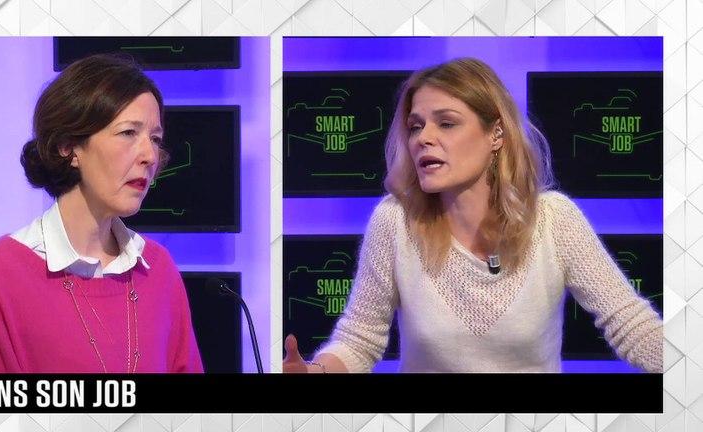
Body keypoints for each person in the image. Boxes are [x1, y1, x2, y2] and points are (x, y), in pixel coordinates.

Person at [283, 58, 663, 374]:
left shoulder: (553, 220)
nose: (423, 138)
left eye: (446, 123)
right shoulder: (394, 221)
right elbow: (359, 339)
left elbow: (633, 325)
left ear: (495, 134)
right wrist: (318, 372)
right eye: (415, 126)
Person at [0, 54, 203, 373]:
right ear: (68, 147)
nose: (150, 155)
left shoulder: (159, 270)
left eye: (155, 139)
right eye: (128, 133)